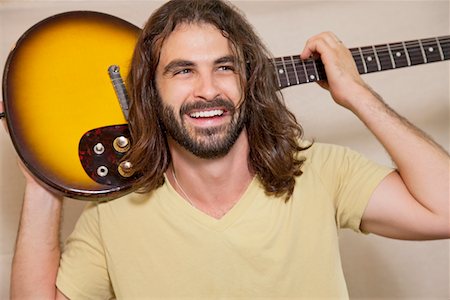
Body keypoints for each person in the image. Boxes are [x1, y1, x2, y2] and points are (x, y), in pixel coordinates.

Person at [7, 0, 449, 299]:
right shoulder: (111, 213)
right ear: (149, 93)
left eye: (225, 68)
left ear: (248, 81)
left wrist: (357, 94)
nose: (207, 90)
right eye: (182, 71)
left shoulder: (320, 169)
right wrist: (41, 167)